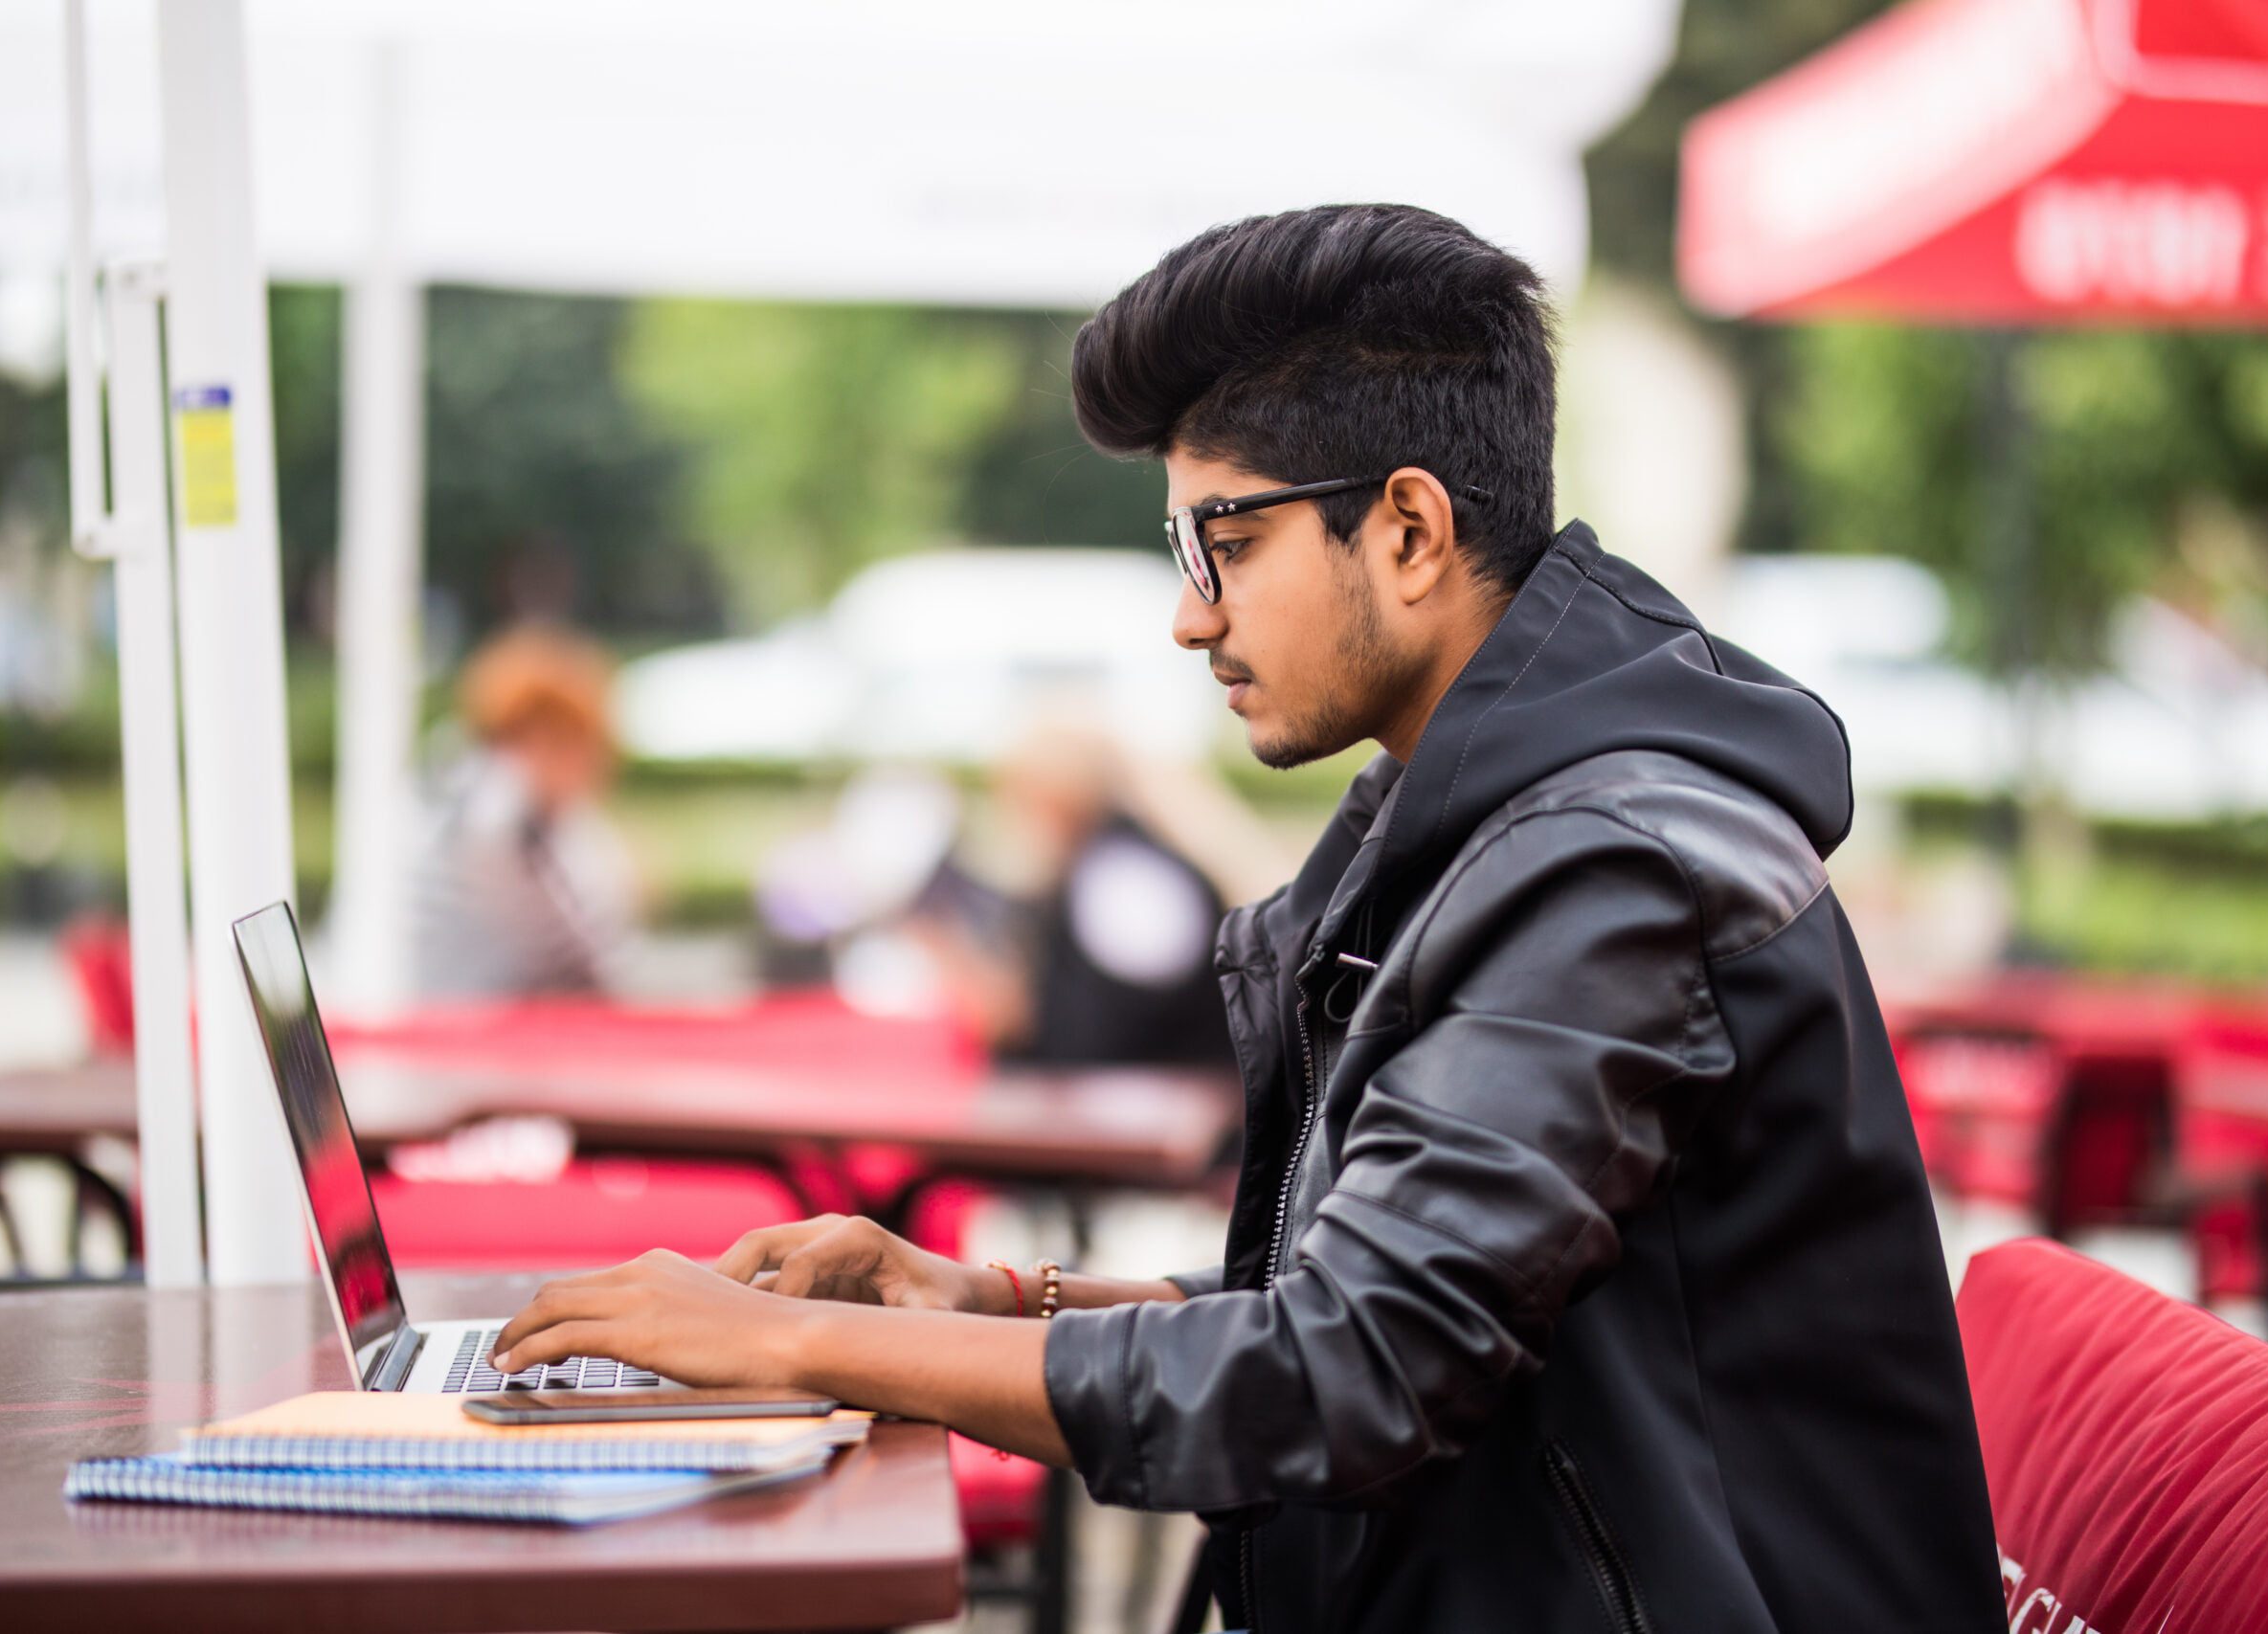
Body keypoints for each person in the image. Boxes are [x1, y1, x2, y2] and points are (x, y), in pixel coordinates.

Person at [490, 205, 2005, 1633]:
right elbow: (1384, 1295)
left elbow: (1348, 1369)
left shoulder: (1612, 867)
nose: (1191, 611)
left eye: (1228, 539)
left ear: (1408, 529)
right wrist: (989, 1296)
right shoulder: (1484, 828)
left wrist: (797, 1347)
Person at [909, 719, 1234, 1069]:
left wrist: (1011, 1016)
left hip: (1164, 1105)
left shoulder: (1125, 878)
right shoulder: (1106, 869)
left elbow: (1112, 1034)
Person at [410, 624, 639, 1000]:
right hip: (479, 1028)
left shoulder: (469, 789)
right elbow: (571, 955)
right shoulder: (501, 812)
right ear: (543, 736)